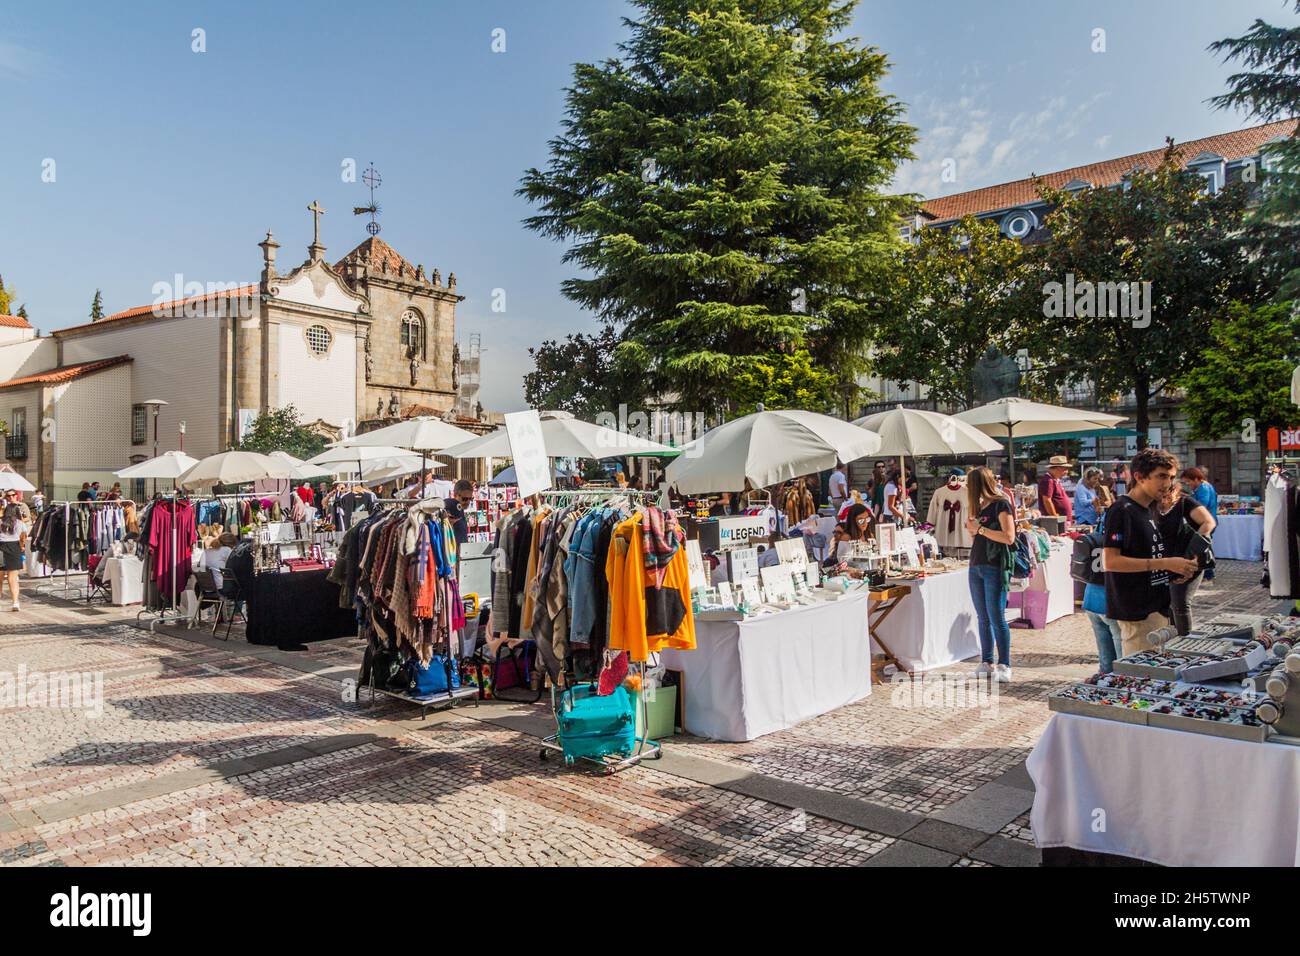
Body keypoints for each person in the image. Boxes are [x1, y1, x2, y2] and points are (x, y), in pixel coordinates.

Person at [1102, 449, 1200, 656]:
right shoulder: (1122, 510)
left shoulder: (1149, 509)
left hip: (1157, 607)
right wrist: (1165, 563)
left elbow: (1148, 555)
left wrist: (1174, 572)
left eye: (1171, 477)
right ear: (1139, 476)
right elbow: (1111, 561)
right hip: (1138, 612)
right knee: (1142, 678)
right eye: (1161, 476)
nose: (1168, 483)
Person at [964, 466, 1016, 681]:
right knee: (983, 617)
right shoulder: (978, 506)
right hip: (976, 564)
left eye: (969, 484)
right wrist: (972, 530)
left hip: (994, 565)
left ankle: (1004, 664)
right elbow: (976, 538)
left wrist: (980, 529)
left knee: (996, 617)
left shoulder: (1000, 504)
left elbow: (1009, 536)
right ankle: (986, 661)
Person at [1155, 483, 1216, 635]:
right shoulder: (1152, 505)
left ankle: (1184, 641)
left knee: (1180, 602)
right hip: (1167, 561)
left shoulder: (1185, 503)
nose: (1163, 500)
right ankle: (1172, 639)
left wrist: (1192, 552)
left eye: (1166, 495)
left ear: (1173, 490)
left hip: (1190, 560)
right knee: (1168, 604)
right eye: (1160, 495)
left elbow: (1209, 522)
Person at [0, 489, 29, 610]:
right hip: (14, 547)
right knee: (13, 578)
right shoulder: (19, 523)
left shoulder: (0, 521)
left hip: (1, 547)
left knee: (0, 577)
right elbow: (24, 537)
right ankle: (15, 602)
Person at [1038, 455, 1074, 522]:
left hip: (1063, 521)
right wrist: (1055, 518)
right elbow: (1047, 501)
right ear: (1058, 468)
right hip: (1056, 523)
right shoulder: (1048, 481)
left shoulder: (1054, 480)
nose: (1066, 472)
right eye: (1065, 469)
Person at [444, 478, 474, 546]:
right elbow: (445, 503)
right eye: (465, 499)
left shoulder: (460, 509)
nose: (468, 502)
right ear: (455, 495)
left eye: (471, 498)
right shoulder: (452, 504)